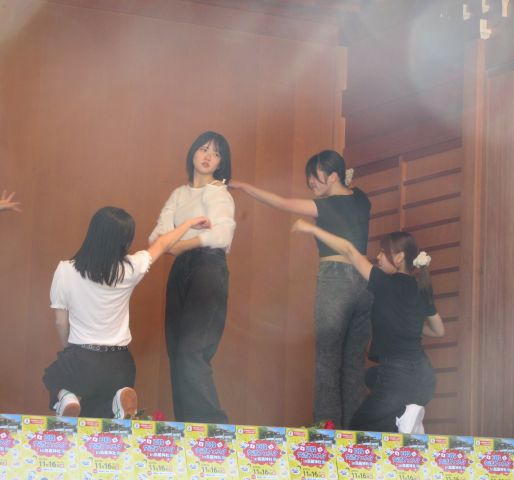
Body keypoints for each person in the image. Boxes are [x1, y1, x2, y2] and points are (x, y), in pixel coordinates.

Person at [231, 150, 372, 428]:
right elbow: (350, 195)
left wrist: (244, 186)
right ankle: (355, 433)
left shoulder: (324, 206)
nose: (311, 183)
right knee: (354, 363)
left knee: (327, 360)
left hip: (335, 279)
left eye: (315, 177)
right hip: (366, 281)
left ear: (333, 176)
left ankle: (327, 430)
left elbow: (282, 203)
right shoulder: (361, 198)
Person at [43, 206, 210, 419]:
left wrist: (69, 350)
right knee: (103, 416)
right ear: (125, 242)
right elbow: (162, 243)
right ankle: (118, 400)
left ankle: (66, 396)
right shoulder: (130, 268)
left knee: (54, 375)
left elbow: (60, 322)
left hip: (82, 361)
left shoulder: (65, 270)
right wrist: (189, 223)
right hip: (120, 366)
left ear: (93, 233)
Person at [292, 220, 445, 433]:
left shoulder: (383, 282)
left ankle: (405, 412)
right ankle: (406, 415)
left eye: (383, 252)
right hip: (424, 378)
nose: (378, 257)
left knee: (360, 428)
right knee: (370, 377)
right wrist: (407, 322)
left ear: (399, 257)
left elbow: (349, 250)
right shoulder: (421, 290)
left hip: (398, 376)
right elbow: (439, 331)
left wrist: (312, 228)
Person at [149, 131, 235, 423]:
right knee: (176, 351)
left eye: (216, 153)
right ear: (193, 153)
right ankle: (188, 429)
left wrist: (180, 243)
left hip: (208, 267)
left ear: (221, 163)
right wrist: (187, 231)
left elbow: (222, 235)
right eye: (203, 149)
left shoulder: (218, 192)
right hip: (181, 270)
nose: (208, 156)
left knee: (192, 350)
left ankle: (214, 429)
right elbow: (156, 237)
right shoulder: (179, 194)